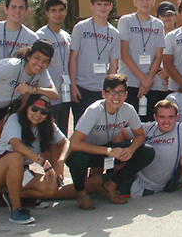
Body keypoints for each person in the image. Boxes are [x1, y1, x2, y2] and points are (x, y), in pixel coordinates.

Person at [0, 40, 59, 219]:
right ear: (28, 56)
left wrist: (33, 88)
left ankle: (8, 193)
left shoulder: (41, 72)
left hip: (2, 107)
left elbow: (54, 94)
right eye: (36, 58)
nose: (39, 64)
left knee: (0, 146)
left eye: (45, 61)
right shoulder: (9, 67)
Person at [66, 74, 155, 210]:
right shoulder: (94, 111)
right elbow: (75, 144)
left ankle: (110, 186)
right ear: (103, 94)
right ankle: (81, 192)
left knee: (147, 151)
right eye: (111, 92)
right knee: (78, 159)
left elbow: (140, 135)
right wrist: (109, 151)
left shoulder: (128, 110)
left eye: (120, 92)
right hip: (85, 151)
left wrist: (130, 149)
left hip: (106, 150)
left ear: (126, 95)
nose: (116, 97)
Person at [0, 95, 69, 224]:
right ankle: (16, 210)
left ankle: (10, 196)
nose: (38, 114)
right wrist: (44, 163)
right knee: (16, 156)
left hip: (20, 172)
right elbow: (16, 145)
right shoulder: (14, 119)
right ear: (27, 108)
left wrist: (60, 162)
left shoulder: (47, 125)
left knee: (51, 188)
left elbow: (66, 143)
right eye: (34, 109)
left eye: (43, 112)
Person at [113, 99, 182, 198]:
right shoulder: (149, 127)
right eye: (162, 117)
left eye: (170, 117)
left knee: (100, 185)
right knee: (95, 183)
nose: (166, 121)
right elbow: (120, 133)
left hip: (146, 186)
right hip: (130, 173)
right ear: (155, 117)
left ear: (177, 117)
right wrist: (119, 162)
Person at [69, 0, 121, 123]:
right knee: (80, 128)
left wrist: (110, 90)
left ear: (110, 7)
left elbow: (114, 64)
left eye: (106, 4)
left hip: (102, 90)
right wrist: (73, 85)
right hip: (81, 88)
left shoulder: (114, 33)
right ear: (92, 6)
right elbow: (73, 57)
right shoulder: (80, 28)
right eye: (99, 4)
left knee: (100, 127)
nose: (102, 8)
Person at [118, 0, 166, 120]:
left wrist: (148, 80)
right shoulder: (125, 21)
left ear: (153, 1)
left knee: (149, 123)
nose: (145, 2)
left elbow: (158, 56)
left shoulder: (158, 24)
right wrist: (142, 79)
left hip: (151, 84)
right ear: (135, 2)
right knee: (129, 124)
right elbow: (124, 54)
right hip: (130, 82)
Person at [36, 0, 71, 135]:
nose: (58, 14)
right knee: (46, 136)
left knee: (62, 135)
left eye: (61, 10)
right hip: (48, 97)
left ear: (66, 11)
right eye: (53, 10)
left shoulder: (67, 36)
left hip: (65, 96)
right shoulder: (39, 36)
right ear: (47, 13)